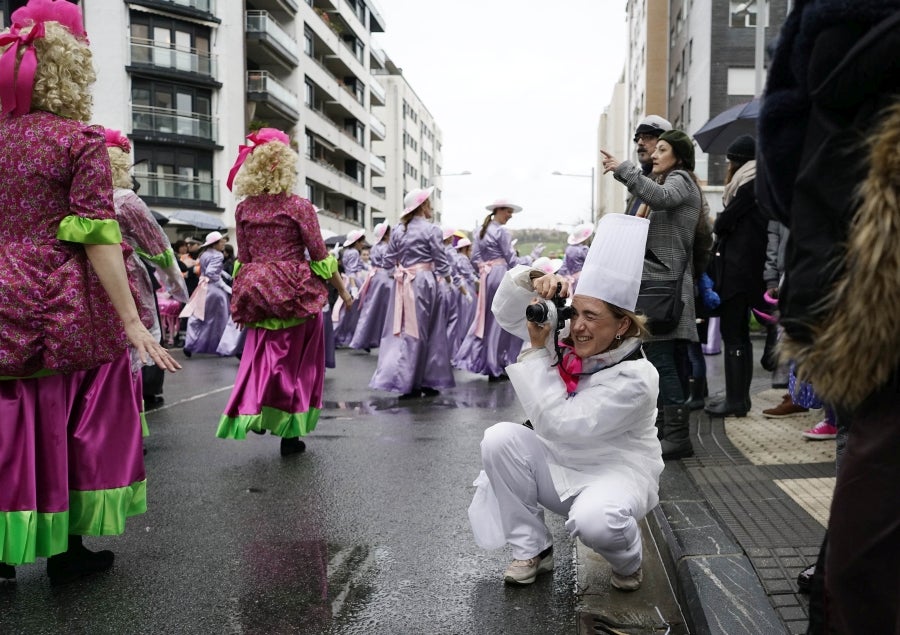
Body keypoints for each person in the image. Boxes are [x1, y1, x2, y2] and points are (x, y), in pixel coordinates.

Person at [0, 0, 179, 585]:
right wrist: (131, 321)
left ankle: (5, 550)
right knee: (66, 415)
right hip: (61, 296)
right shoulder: (78, 141)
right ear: (72, 66)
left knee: (10, 417)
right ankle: (65, 551)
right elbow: (98, 235)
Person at [756, 3, 900, 632]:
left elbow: (780, 176)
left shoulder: (820, 37)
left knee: (862, 552)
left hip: (855, 302)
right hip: (860, 298)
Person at [470, 214, 662, 591]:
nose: (578, 327)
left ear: (622, 325)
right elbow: (505, 314)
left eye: (592, 317)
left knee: (596, 522)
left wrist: (541, 355)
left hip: (614, 473)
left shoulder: (636, 379)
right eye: (576, 313)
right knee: (499, 439)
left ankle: (629, 560)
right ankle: (533, 549)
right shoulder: (569, 333)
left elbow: (562, 424)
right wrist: (531, 281)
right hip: (559, 464)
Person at [216, 128, 351, 456]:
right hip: (295, 291)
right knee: (299, 366)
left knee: (261, 357)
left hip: (258, 290)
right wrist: (344, 293)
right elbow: (320, 256)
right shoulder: (299, 206)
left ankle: (258, 410)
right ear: (285, 166)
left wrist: (247, 288)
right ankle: (289, 432)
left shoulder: (244, 209)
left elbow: (243, 259)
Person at [602, 130, 701, 460]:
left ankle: (677, 435)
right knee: (658, 361)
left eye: (662, 149)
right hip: (658, 285)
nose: (654, 154)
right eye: (654, 149)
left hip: (666, 287)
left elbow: (662, 198)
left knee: (662, 362)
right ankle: (663, 429)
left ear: (680, 156)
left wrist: (624, 169)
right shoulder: (669, 181)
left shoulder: (681, 180)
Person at [104, 128, 188, 412]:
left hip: (83, 282)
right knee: (129, 354)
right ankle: (125, 432)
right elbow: (158, 247)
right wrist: (176, 286)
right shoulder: (126, 200)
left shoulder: (79, 197)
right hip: (124, 280)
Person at [369, 187, 455, 399]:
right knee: (429, 331)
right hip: (425, 281)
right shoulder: (432, 229)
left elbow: (387, 260)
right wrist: (448, 276)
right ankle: (424, 379)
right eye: (429, 203)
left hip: (404, 282)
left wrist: (396, 275)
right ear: (423, 205)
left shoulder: (399, 230)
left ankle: (407, 379)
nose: (431, 206)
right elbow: (440, 258)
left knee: (406, 332)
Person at [703, 135, 767, 417]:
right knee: (737, 335)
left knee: (734, 335)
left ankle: (736, 401)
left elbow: (725, 223)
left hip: (738, 274)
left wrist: (722, 221)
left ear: (736, 162)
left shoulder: (749, 185)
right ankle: (739, 399)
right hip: (747, 272)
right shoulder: (758, 184)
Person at [454, 198, 543, 381]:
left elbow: (475, 259)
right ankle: (498, 364)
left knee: (487, 321)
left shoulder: (479, 230)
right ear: (499, 210)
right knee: (503, 319)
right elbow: (512, 261)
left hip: (487, 277)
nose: (510, 216)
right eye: (509, 212)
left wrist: (484, 272)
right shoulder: (502, 232)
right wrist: (532, 257)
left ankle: (490, 362)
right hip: (501, 275)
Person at [180, 230, 231, 356]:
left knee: (196, 317)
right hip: (215, 291)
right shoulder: (218, 255)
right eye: (221, 242)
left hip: (202, 288)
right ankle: (220, 347)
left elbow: (209, 271)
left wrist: (224, 274)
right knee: (220, 319)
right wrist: (226, 287)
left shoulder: (204, 254)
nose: (223, 244)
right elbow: (212, 274)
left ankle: (190, 344)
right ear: (215, 244)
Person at [349, 222, 393, 352]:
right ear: (386, 235)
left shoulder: (374, 247)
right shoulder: (385, 247)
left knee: (370, 309)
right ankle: (384, 338)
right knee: (387, 312)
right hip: (385, 279)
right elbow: (389, 264)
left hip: (375, 278)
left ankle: (364, 338)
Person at [625, 115, 672, 216]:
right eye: (638, 138)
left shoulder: (672, 180)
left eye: (648, 137)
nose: (640, 142)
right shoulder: (640, 179)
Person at [556, 222, 593, 291]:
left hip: (570, 277)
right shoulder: (584, 249)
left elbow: (564, 265)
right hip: (582, 278)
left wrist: (560, 275)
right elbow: (590, 263)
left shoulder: (568, 249)